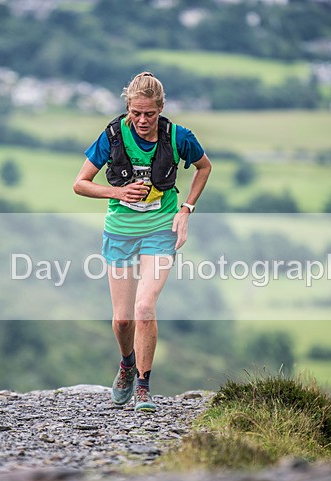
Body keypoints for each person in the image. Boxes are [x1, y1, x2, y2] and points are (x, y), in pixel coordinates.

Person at [73, 71, 211, 412]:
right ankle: (127, 366)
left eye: (150, 113)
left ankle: (144, 389)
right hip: (120, 230)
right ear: (128, 109)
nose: (143, 120)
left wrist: (186, 209)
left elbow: (204, 168)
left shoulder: (179, 137)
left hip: (160, 229)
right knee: (122, 320)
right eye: (136, 113)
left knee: (145, 308)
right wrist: (117, 191)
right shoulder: (112, 136)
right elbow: (80, 183)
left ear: (161, 108)